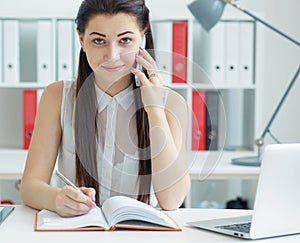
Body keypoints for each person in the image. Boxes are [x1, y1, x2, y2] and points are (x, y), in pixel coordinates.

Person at [20, 0, 190, 217]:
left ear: (143, 37)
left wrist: (155, 110)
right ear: (82, 40)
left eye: (125, 40)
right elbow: (30, 187)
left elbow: (172, 200)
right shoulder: (57, 96)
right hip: (77, 230)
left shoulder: (171, 103)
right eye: (99, 41)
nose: (112, 55)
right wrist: (57, 199)